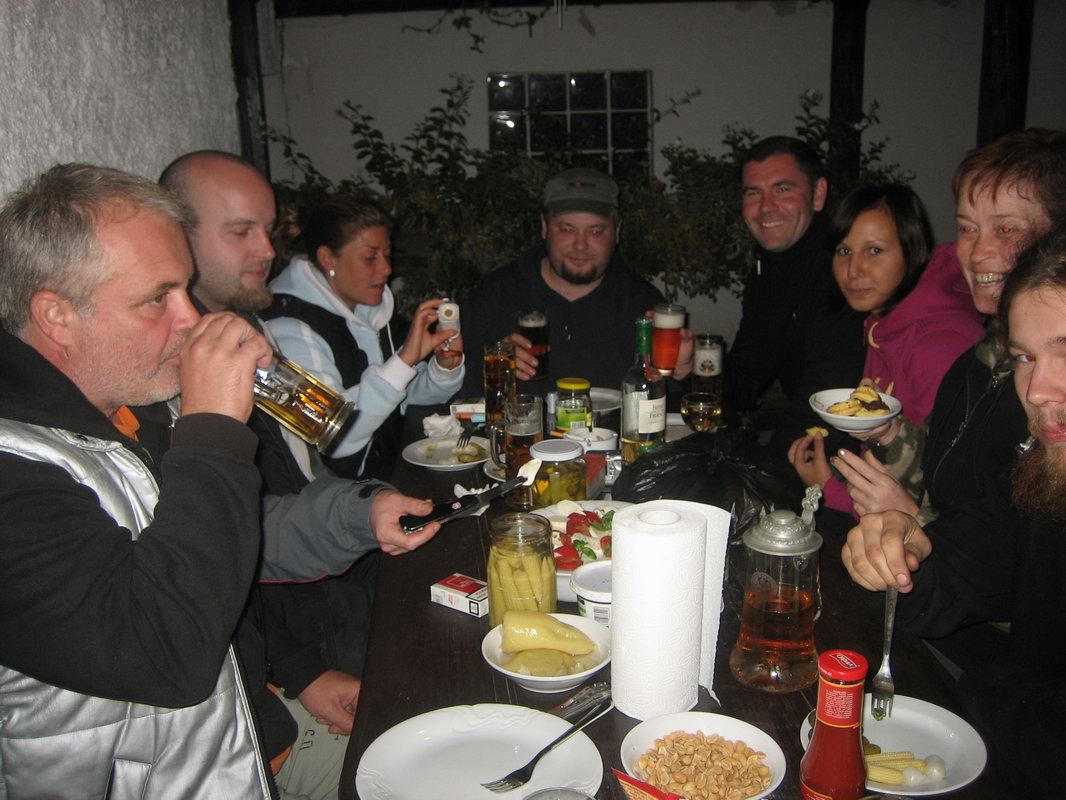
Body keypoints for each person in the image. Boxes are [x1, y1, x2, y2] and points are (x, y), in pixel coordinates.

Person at [160, 150, 441, 798]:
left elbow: (313, 452)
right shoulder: (175, 365)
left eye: (268, 229)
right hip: (284, 637)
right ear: (179, 235)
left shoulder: (244, 326)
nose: (267, 249)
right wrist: (302, 670)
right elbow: (218, 552)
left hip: (321, 582)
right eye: (242, 231)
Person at [0, 163, 281, 795]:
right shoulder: (12, 470)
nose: (191, 318)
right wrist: (213, 430)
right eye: (158, 298)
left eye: (186, 289)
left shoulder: (134, 404)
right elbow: (168, 655)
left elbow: (229, 584)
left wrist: (301, 674)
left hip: (245, 742)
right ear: (56, 315)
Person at [841, 228, 1066, 797]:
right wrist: (901, 546)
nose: (1038, 389)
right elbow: (960, 567)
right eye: (1026, 357)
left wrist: (990, 692)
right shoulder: (1046, 478)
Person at [787, 185, 984, 514]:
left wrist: (831, 490)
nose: (853, 270)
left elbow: (942, 501)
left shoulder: (940, 347)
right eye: (844, 251)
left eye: (874, 251)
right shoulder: (882, 325)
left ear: (912, 251)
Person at [263, 193, 464, 480]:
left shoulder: (371, 311)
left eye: (387, 255)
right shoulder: (290, 328)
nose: (387, 269)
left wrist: (444, 366)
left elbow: (399, 397)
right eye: (370, 258)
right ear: (327, 258)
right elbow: (335, 435)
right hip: (333, 496)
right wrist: (403, 361)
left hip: (386, 476)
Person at [459, 166, 690, 396]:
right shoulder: (495, 296)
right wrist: (495, 368)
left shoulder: (641, 303)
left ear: (617, 231)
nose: (580, 245)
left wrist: (683, 372)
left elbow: (671, 400)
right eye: (567, 230)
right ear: (545, 228)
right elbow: (454, 389)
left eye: (596, 231)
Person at [726, 136, 866, 445]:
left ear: (818, 194)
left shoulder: (844, 269)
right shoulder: (766, 270)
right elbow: (745, 375)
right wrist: (693, 369)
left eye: (783, 189)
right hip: (812, 438)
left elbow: (828, 395)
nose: (766, 207)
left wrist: (768, 463)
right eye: (753, 193)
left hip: (858, 450)